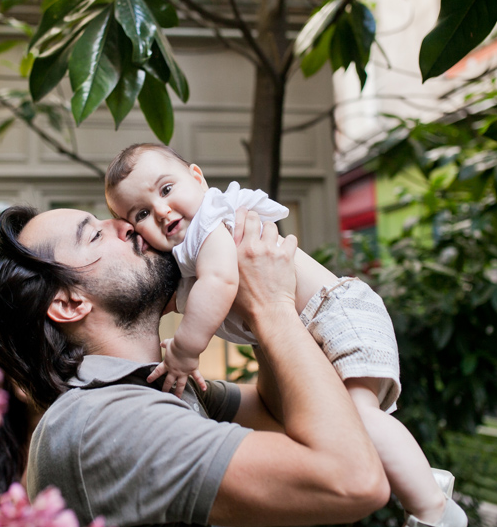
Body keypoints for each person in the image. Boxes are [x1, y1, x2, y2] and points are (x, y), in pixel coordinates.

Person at [0, 202, 390, 527]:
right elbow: (352, 480)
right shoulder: (106, 420)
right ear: (70, 303)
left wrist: (244, 302)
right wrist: (271, 306)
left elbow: (278, 415)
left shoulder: (150, 385)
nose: (129, 224)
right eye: (94, 235)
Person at [104, 143, 467, 527]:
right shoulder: (188, 251)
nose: (161, 211)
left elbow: (221, 282)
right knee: (348, 422)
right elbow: (182, 298)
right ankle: (424, 480)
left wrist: (185, 350)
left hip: (337, 313)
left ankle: (434, 510)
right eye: (141, 213)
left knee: (357, 419)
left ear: (197, 178)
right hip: (320, 325)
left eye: (165, 190)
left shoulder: (210, 222)